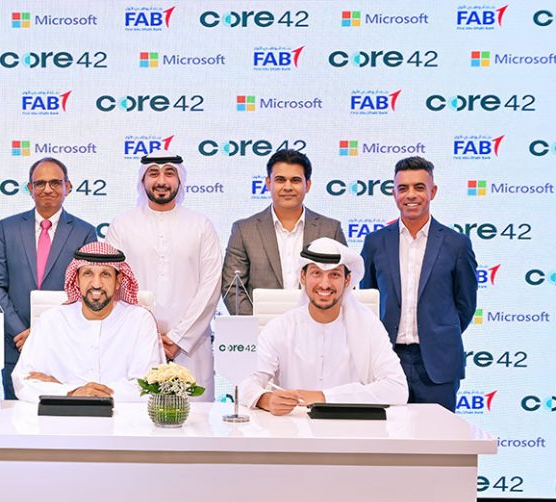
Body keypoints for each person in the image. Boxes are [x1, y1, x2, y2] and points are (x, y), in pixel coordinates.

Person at [240, 238, 408, 416]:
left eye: (334, 275)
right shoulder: (280, 327)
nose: (325, 284)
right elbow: (244, 382)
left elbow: (397, 388)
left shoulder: (368, 326)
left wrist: (323, 397)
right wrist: (265, 399)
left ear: (347, 280)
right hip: (293, 431)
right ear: (303, 277)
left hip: (353, 431)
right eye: (316, 273)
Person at [361, 156, 478, 412]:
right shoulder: (375, 242)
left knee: (440, 445)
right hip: (386, 360)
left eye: (419, 187)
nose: (410, 195)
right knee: (386, 444)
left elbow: (465, 305)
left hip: (438, 364)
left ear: (432, 192)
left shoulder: (457, 244)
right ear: (394, 193)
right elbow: (366, 300)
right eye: (403, 188)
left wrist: (439, 333)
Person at [105, 154, 221, 401]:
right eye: (154, 173)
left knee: (194, 423)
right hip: (134, 342)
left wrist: (178, 337)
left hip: (191, 346)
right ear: (143, 180)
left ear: (179, 179)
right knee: (135, 423)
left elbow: (210, 286)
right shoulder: (122, 226)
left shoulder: (201, 225)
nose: (162, 180)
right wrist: (147, 335)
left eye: (169, 173)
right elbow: (113, 284)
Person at [0, 157, 98, 399]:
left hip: (66, 344)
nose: (48, 189)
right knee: (17, 415)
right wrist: (20, 331)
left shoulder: (84, 231)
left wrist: (45, 332)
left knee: (65, 414)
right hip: (16, 343)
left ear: (68, 187)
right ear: (30, 188)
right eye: (40, 183)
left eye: (55, 183)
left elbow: (89, 289)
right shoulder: (8, 228)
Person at [12, 242, 163, 402]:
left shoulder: (139, 321)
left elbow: (149, 385)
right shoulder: (51, 321)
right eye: (88, 273)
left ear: (118, 280)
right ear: (76, 279)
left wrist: (69, 390)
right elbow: (24, 381)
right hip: (62, 421)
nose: (96, 284)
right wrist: (72, 392)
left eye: (105, 274)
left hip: (123, 421)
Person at [222, 149, 347, 316]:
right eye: (280, 180)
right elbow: (233, 289)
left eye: (295, 180)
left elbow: (343, 285)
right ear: (268, 183)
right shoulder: (244, 230)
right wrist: (258, 327)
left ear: (307, 185)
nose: (287, 187)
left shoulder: (330, 230)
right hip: (262, 333)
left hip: (317, 331)